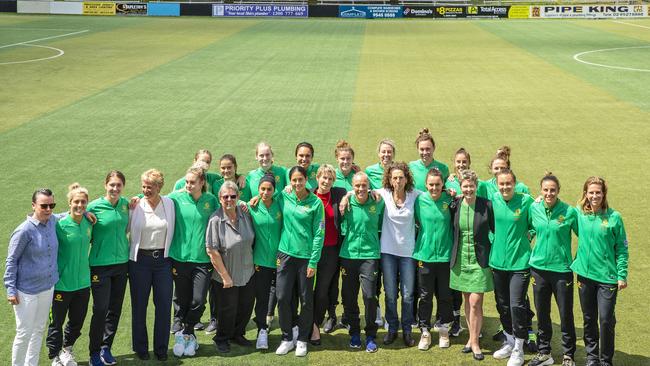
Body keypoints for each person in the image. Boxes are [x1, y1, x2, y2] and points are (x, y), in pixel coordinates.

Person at [571, 177, 628, 366]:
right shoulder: (579, 213)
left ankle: (606, 360)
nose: (594, 196)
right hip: (585, 277)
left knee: (605, 320)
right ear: (585, 194)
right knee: (589, 318)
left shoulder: (614, 217)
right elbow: (558, 211)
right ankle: (592, 357)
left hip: (607, 278)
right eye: (591, 192)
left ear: (604, 194)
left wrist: (622, 275)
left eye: (598, 192)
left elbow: (621, 248)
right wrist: (538, 199)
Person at [168, 166, 218, 357]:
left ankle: (187, 331)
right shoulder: (175, 198)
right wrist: (137, 198)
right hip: (179, 258)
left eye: (192, 182)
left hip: (202, 259)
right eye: (187, 182)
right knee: (182, 298)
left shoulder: (210, 200)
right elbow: (154, 196)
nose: (188, 185)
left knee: (198, 300)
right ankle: (187, 335)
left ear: (202, 183)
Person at [5, 188, 59, 366]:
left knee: (38, 330)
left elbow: (69, 214)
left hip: (47, 288)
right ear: (34, 205)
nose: (48, 209)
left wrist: (86, 211)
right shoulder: (23, 231)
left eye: (52, 205)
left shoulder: (52, 221)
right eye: (44, 206)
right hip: (26, 292)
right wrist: (10, 289)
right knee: (24, 333)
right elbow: (11, 261)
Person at [275, 166, 325, 357]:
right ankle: (287, 338)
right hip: (285, 255)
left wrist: (313, 261)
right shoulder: (283, 196)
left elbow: (319, 234)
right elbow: (267, 198)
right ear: (290, 181)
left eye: (300, 180)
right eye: (294, 180)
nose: (297, 184)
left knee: (305, 300)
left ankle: (302, 339)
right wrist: (253, 199)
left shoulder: (315, 203)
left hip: (306, 258)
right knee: (282, 297)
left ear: (306, 180)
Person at [528, 173, 577, 366]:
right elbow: (530, 229)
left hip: (562, 270)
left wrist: (576, 261)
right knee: (542, 313)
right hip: (538, 269)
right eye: (546, 190)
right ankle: (544, 353)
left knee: (565, 313)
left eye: (553, 190)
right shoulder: (534, 208)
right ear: (541, 191)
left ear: (558, 191)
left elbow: (584, 235)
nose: (549, 193)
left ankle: (568, 355)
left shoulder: (569, 212)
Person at [128, 169, 175, 361]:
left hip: (163, 262)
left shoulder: (170, 204)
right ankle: (141, 348)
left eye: (150, 186)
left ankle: (161, 349)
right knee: (139, 305)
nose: (146, 190)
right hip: (140, 262)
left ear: (159, 186)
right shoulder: (135, 205)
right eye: (144, 186)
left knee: (163, 305)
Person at [489, 169, 534, 366]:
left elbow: (535, 224)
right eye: (502, 184)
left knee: (516, 305)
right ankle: (509, 340)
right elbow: (489, 226)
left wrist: (528, 237)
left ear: (514, 184)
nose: (505, 187)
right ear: (497, 184)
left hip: (520, 263)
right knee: (503, 304)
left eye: (509, 183)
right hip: (497, 262)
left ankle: (519, 348)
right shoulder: (493, 200)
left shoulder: (527, 202)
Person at [449, 170, 494, 361]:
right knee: (467, 301)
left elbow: (496, 229)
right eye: (465, 186)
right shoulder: (455, 204)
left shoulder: (487, 205)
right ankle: (471, 338)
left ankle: (475, 342)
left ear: (476, 186)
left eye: (471, 186)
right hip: (460, 260)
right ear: (461, 187)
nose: (468, 189)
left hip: (480, 260)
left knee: (476, 302)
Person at [206, 181, 256, 353]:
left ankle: (238, 334)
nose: (229, 200)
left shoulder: (245, 215)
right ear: (220, 199)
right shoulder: (215, 220)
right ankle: (222, 337)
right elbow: (212, 250)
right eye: (225, 197)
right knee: (227, 309)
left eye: (232, 196)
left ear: (238, 197)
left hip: (247, 271)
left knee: (246, 305)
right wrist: (225, 276)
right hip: (226, 274)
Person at [87, 171, 130, 366]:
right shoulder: (93, 207)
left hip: (121, 264)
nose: (115, 188)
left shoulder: (126, 205)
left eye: (118, 185)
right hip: (100, 267)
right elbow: (75, 219)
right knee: (100, 309)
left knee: (115, 309)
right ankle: (94, 352)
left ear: (123, 187)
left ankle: (106, 347)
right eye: (112, 185)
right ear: (105, 185)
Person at [46, 184, 92, 366]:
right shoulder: (59, 225)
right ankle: (55, 356)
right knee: (56, 323)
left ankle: (67, 349)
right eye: (76, 202)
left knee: (77, 321)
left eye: (83, 202)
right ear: (69, 203)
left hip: (83, 283)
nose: (79, 205)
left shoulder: (90, 222)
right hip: (61, 284)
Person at [375, 162, 419, 347]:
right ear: (389, 180)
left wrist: (451, 192)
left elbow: (436, 195)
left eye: (401, 177)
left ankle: (407, 330)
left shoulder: (415, 195)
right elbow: (357, 190)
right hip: (388, 252)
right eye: (394, 178)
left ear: (406, 179)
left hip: (408, 253)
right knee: (391, 294)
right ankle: (392, 328)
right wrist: (346, 198)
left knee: (408, 294)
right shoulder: (383, 194)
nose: (398, 180)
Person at [339, 172, 384, 352]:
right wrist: (346, 196)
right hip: (348, 256)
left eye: (364, 185)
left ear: (369, 186)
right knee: (349, 297)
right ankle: (355, 333)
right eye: (357, 186)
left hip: (369, 256)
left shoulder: (377, 201)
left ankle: (371, 335)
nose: (360, 189)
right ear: (352, 186)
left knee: (369, 296)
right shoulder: (347, 203)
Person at [413, 169, 454, 351]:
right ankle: (425, 331)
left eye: (438, 184)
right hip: (425, 256)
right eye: (431, 184)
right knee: (425, 295)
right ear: (426, 185)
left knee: (445, 295)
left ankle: (443, 329)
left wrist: (453, 191)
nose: (434, 188)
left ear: (443, 185)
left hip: (445, 256)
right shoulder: (419, 201)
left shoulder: (450, 200)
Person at [311, 164, 347, 345]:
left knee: (323, 289)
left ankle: (315, 323)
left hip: (331, 250)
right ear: (317, 178)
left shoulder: (339, 193)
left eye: (330, 179)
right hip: (309, 251)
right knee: (305, 289)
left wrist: (347, 197)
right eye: (323, 178)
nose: (326, 181)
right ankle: (303, 322)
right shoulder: (308, 194)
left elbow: (356, 192)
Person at [247, 173, 284, 350]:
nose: (265, 192)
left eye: (269, 189)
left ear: (274, 190)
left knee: (283, 295)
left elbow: (290, 190)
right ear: (258, 189)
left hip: (281, 259)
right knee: (261, 297)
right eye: (262, 189)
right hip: (260, 261)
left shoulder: (280, 203)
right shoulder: (251, 207)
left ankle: (289, 328)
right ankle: (262, 330)